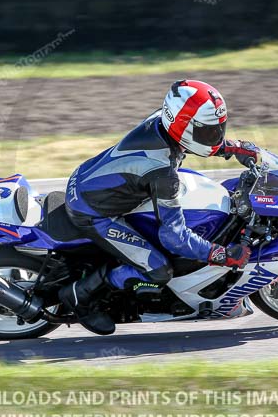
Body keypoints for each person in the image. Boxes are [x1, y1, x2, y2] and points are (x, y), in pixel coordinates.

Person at [61, 79, 260, 335]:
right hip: (92, 212)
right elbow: (174, 237)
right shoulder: (162, 173)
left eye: (218, 129)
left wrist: (231, 147)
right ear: (182, 125)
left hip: (92, 177)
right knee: (158, 269)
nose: (215, 136)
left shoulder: (162, 122)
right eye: (209, 131)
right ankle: (81, 296)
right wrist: (220, 255)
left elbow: (194, 138)